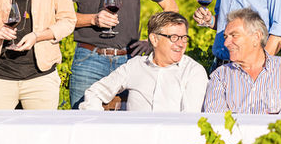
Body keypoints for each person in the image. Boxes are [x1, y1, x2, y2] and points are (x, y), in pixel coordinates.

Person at [78, 11, 208, 111]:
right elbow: (94, 93)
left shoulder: (193, 72)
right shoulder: (135, 66)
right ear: (154, 39)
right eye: (174, 37)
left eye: (184, 37)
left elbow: (190, 121)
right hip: (133, 141)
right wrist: (100, 124)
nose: (180, 44)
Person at [203, 8, 281, 114]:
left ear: (256, 37)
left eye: (234, 35)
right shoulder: (220, 76)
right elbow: (216, 122)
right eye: (225, 37)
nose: (226, 43)